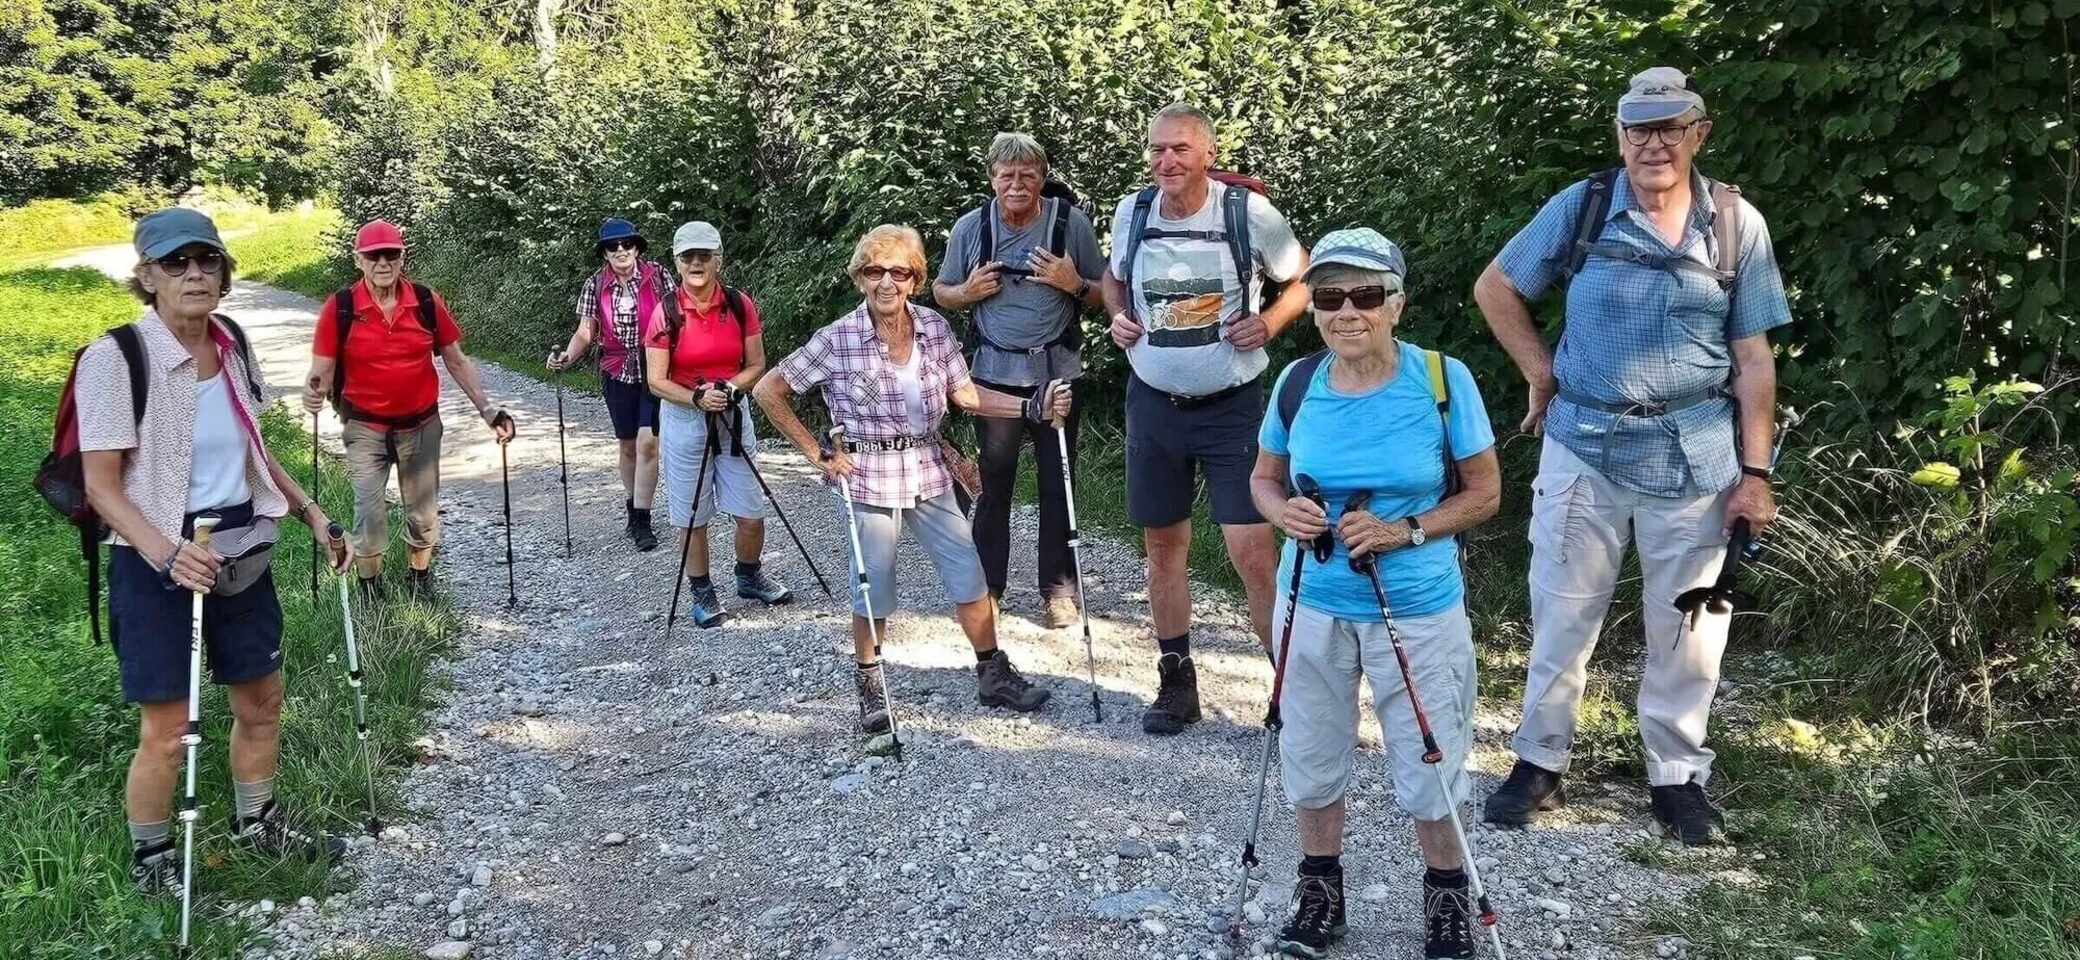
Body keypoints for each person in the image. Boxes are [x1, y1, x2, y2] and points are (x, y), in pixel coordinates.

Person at [1472, 67, 1790, 845]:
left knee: (1689, 628)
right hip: (1583, 445)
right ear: (1619, 137)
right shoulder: (1581, 208)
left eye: (1669, 126)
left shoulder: (1734, 222)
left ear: (1698, 133)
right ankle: (1539, 761)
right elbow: (1495, 288)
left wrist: (1756, 476)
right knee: (1560, 614)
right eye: (1638, 129)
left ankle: (1678, 778)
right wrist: (1541, 373)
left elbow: (1753, 361)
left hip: (1696, 457)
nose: (1654, 143)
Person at [78, 208, 354, 895]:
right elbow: (102, 488)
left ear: (225, 274)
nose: (195, 274)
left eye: (207, 261)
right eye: (176, 263)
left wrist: (312, 512)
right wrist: (169, 553)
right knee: (168, 729)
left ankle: (257, 821)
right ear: (147, 276)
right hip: (155, 557)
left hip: (241, 546)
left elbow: (255, 451)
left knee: (261, 700)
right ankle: (153, 862)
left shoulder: (230, 341)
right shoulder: (115, 358)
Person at [1250, 229, 1501, 959]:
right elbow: (1264, 480)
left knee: (1431, 759)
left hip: (1418, 603)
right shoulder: (1297, 383)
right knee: (1311, 752)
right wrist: (1280, 511)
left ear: (1397, 303)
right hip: (1313, 600)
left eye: (1365, 295)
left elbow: (1485, 493)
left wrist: (1407, 529)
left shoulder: (1441, 380)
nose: (1347, 311)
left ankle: (1447, 899)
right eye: (1330, 297)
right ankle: (1320, 894)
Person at [755, 224, 1066, 731]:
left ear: (914, 280)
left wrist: (1031, 405)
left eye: (899, 272)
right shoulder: (837, 339)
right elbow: (770, 390)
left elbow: (966, 396)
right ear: (859, 277)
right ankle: (870, 687)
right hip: (869, 476)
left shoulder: (934, 330)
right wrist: (818, 454)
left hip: (928, 466)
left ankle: (992, 671)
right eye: (875, 271)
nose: (886, 283)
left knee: (969, 574)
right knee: (873, 586)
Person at [1100, 102, 1310, 736]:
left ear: (1208, 155)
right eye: (1157, 149)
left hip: (1233, 409)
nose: (1166, 161)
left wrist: (1270, 321)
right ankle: (1176, 679)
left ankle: (1292, 690)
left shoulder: (1247, 214)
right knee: (1162, 548)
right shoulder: (1131, 212)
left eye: (1180, 150)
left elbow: (1304, 280)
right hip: (1153, 403)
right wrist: (1116, 316)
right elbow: (1113, 281)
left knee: (1252, 550)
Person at [930, 132, 1105, 629]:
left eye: (1028, 174)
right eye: (1006, 174)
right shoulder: (971, 228)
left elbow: (1106, 294)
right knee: (994, 484)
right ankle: (989, 587)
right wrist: (967, 291)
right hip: (991, 375)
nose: (1017, 183)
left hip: (1057, 374)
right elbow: (942, 291)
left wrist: (1074, 285)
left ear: (1043, 178)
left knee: (1059, 485)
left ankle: (1058, 591)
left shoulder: (1071, 225)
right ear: (992, 179)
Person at [302, 220, 516, 600]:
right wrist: (314, 393)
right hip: (365, 426)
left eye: (391, 253)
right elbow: (322, 368)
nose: (383, 262)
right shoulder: (342, 307)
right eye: (373, 255)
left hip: (420, 424)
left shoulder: (426, 301)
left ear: (403, 257)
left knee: (423, 513)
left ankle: (419, 580)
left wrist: (486, 409)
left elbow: (455, 359)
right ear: (359, 260)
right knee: (369, 513)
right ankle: (371, 591)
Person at [643, 221, 791, 627]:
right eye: (687, 256)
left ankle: (748, 575)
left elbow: (756, 365)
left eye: (703, 256)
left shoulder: (740, 305)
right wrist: (695, 397)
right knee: (692, 515)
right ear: (676, 262)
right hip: (685, 418)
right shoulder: (665, 312)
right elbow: (656, 381)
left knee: (751, 511)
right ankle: (702, 591)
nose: (696, 263)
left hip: (732, 413)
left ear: (718, 260)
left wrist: (728, 387)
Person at [549, 218, 677, 551]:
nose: (621, 250)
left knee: (649, 442)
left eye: (627, 244)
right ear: (604, 253)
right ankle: (632, 504)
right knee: (627, 443)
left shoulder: (658, 275)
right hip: (616, 368)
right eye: (612, 246)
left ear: (636, 247)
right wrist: (566, 356)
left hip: (656, 366)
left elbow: (680, 319)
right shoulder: (595, 285)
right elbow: (586, 332)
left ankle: (642, 519)